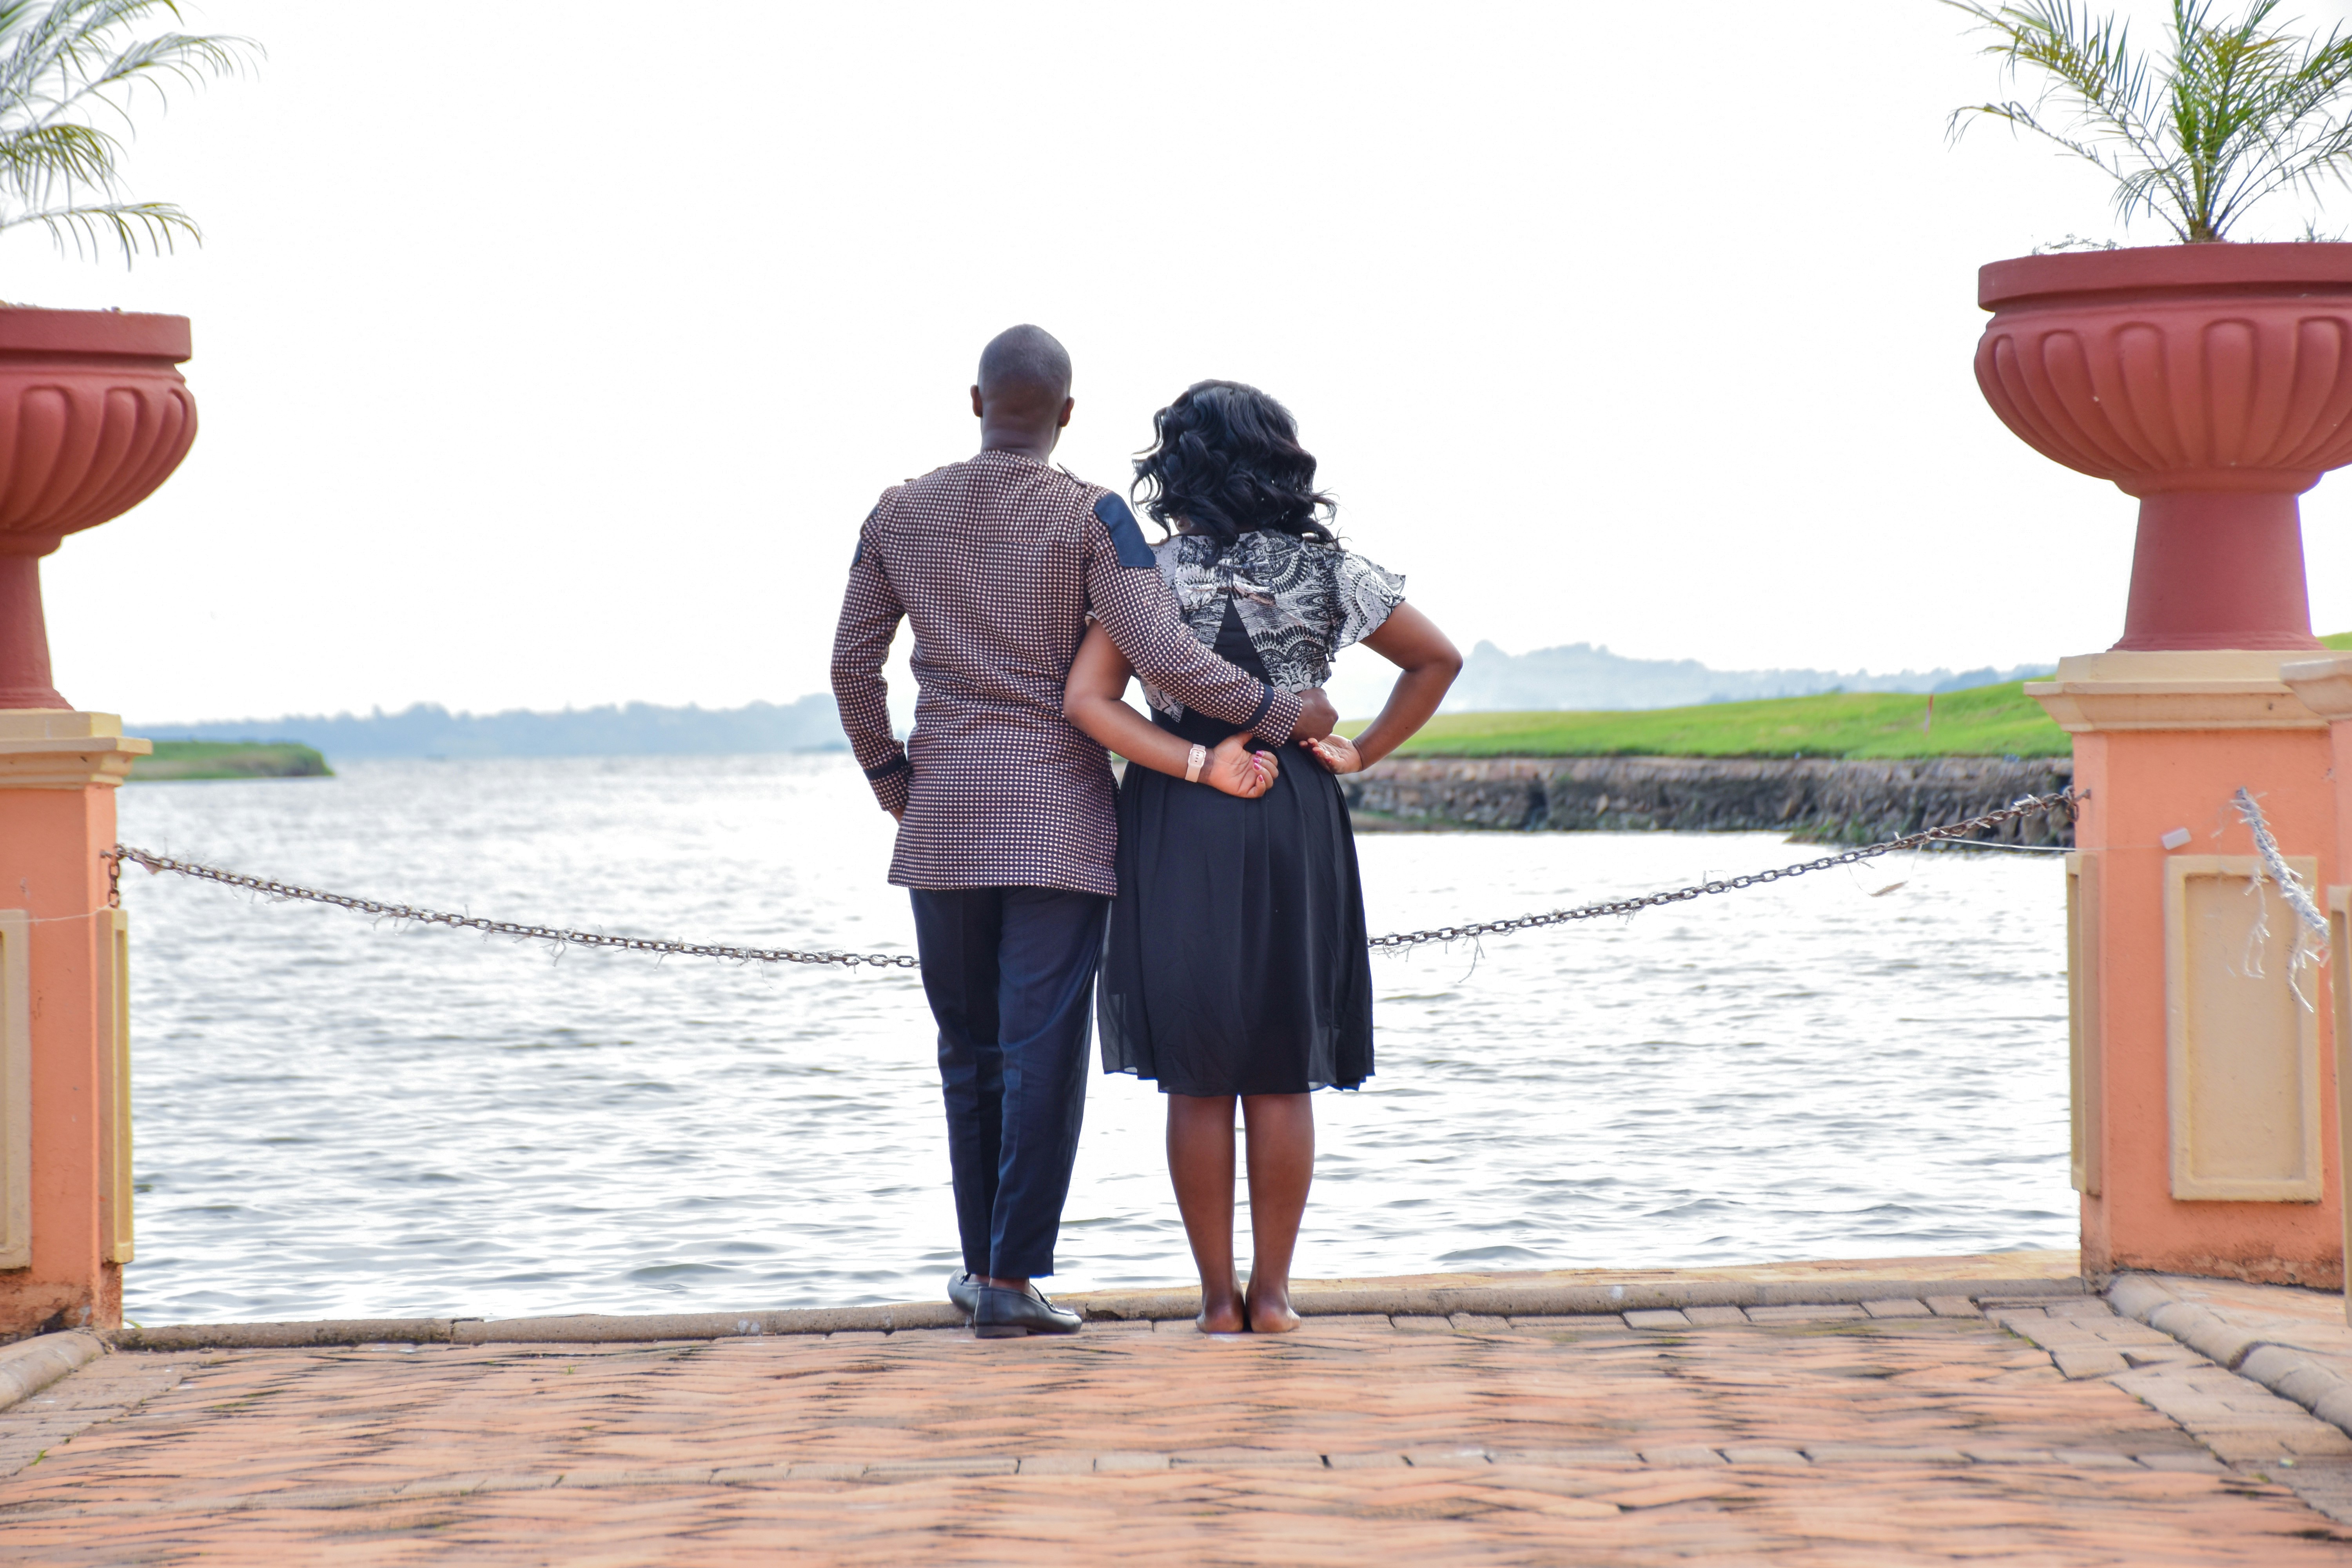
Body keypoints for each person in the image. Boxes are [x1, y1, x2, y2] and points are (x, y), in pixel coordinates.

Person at [829, 330, 1339, 1340]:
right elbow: (1163, 656)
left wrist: (893, 776)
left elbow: (853, 666)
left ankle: (982, 1269)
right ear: (1066, 414)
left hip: (942, 820)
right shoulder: (1090, 512)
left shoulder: (897, 511)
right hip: (1059, 822)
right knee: (1041, 1051)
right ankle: (1014, 1280)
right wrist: (1282, 713)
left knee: (965, 1052)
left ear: (976, 399)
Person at [1061, 380, 1461, 1334]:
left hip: (1181, 809)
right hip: (1295, 809)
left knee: (1198, 1069)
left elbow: (1092, 702)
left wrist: (1195, 761)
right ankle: (1274, 1295)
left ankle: (1215, 1301)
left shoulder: (1146, 573)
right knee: (1281, 1064)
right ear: (1279, 458)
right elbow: (1436, 658)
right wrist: (1361, 750)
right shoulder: (1329, 572)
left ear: (1178, 462)